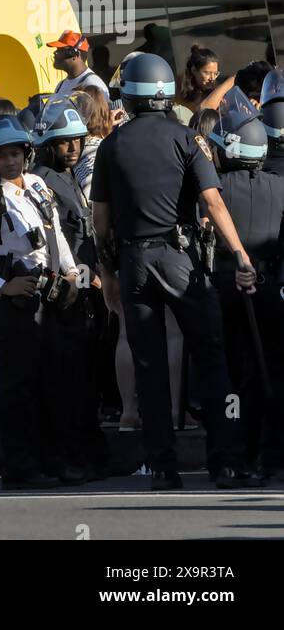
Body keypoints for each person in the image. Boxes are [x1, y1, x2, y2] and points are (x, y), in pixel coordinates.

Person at [92, 53, 262, 489]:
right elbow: (213, 202)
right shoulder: (188, 140)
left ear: (128, 95)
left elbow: (101, 223)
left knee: (149, 368)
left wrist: (109, 274)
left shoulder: (112, 145)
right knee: (212, 360)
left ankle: (162, 468)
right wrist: (240, 253)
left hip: (133, 262)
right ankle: (225, 461)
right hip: (180, 257)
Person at [0, 117, 80, 489]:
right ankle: (20, 468)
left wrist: (70, 274)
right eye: (1, 156)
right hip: (16, 303)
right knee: (17, 388)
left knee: (52, 382)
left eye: (16, 153)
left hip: (50, 294)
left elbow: (56, 233)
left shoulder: (38, 184)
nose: (10, 162)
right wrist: (1, 287)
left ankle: (53, 461)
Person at [30, 97, 110, 482]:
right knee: (62, 381)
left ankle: (88, 454)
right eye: (65, 141)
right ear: (48, 143)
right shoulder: (44, 181)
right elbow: (52, 243)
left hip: (79, 295)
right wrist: (81, 278)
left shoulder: (66, 177)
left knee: (80, 380)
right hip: (61, 296)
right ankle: (64, 458)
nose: (74, 147)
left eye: (77, 140)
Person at [205, 101, 284, 481]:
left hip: (223, 288)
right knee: (269, 374)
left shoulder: (214, 191)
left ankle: (230, 455)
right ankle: (269, 456)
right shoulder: (280, 187)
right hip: (270, 290)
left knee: (228, 377)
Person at [49, 30, 109, 100]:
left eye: (60, 50)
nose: (55, 53)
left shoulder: (93, 84)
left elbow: (100, 110)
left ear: (76, 54)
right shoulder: (61, 85)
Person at [176, 45, 221, 117]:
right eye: (207, 73)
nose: (212, 78)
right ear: (194, 70)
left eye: (215, 73)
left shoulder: (217, 90)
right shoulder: (178, 90)